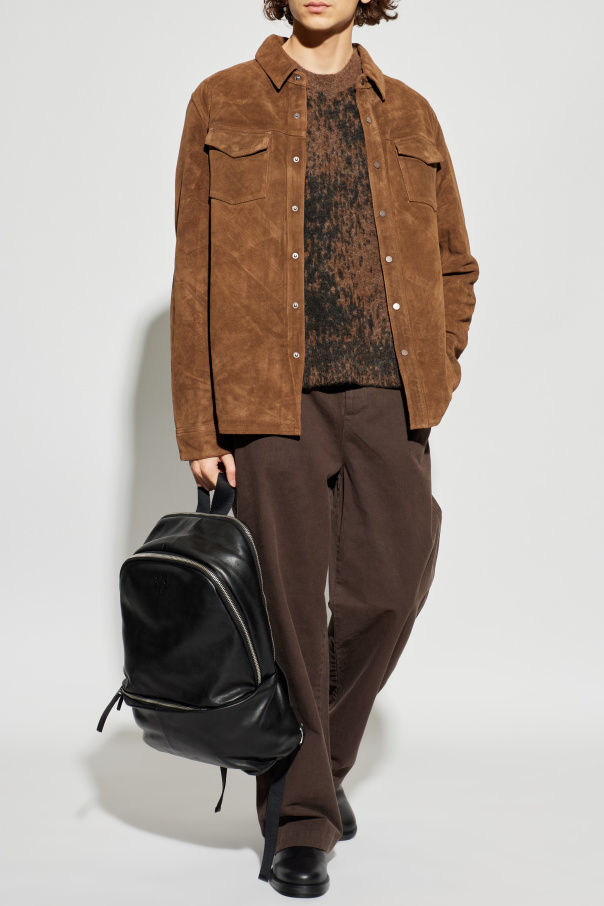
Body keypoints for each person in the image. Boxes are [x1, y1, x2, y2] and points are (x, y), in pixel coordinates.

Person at [169, 0, 479, 897]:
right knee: (291, 613)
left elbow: (455, 262)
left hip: (391, 393)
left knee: (392, 586)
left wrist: (440, 366)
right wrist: (201, 424)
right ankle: (302, 820)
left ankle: (310, 766)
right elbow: (194, 271)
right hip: (270, 402)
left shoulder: (410, 112)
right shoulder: (222, 101)